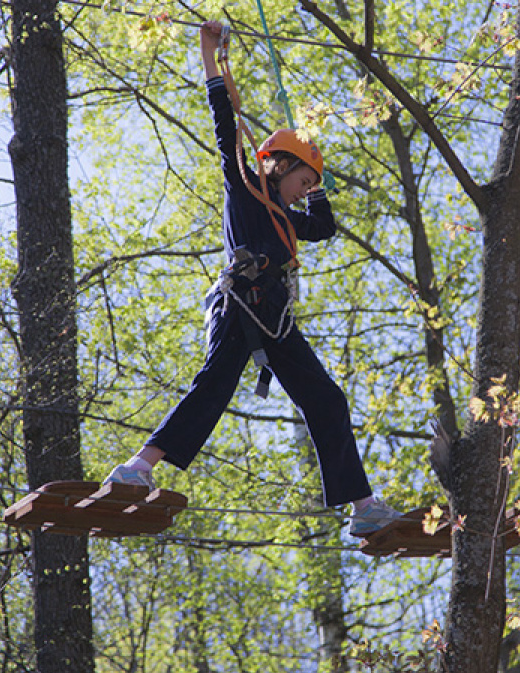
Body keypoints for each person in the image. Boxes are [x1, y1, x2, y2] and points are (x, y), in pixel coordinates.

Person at [104, 20, 400, 537]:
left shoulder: (290, 217)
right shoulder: (245, 189)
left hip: (275, 319)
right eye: (299, 181)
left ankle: (363, 507)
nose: (300, 192)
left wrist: (318, 187)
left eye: (307, 187)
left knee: (326, 399)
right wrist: (209, 57)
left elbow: (325, 227)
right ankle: (137, 468)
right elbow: (224, 125)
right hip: (239, 305)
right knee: (215, 383)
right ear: (278, 165)